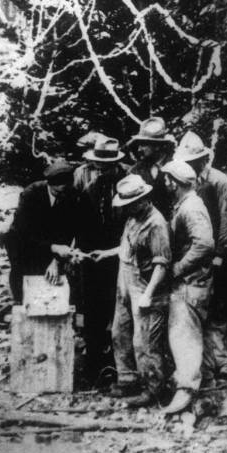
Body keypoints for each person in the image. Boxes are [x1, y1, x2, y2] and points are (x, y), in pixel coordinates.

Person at [172, 132, 227, 383]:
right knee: (197, 310)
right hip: (195, 256)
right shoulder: (187, 183)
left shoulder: (218, 181)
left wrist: (219, 255)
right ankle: (205, 364)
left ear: (202, 160)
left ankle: (225, 361)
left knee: (218, 309)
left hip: (214, 254)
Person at [110, 173, 171, 408]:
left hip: (145, 285)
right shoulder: (133, 218)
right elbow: (127, 247)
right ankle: (128, 379)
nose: (129, 208)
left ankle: (153, 388)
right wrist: (105, 254)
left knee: (144, 341)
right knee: (120, 330)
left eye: (132, 204)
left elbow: (161, 263)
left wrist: (148, 295)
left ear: (143, 200)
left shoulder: (156, 223)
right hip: (124, 279)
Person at [160, 160, 215, 415]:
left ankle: (186, 390)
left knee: (184, 336)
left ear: (177, 182)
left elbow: (204, 244)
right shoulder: (185, 205)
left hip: (190, 283)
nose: (166, 184)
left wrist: (178, 269)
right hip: (190, 281)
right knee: (187, 334)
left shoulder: (191, 207)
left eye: (169, 180)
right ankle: (198, 381)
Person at [73, 136, 128, 387]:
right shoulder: (91, 188)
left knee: (121, 311)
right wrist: (83, 255)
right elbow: (82, 225)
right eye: (99, 164)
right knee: (94, 311)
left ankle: (121, 367)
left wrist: (116, 251)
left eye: (108, 164)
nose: (102, 168)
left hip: (123, 257)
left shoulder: (130, 183)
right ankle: (94, 366)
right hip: (94, 258)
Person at [1, 161, 80, 304]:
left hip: (51, 240)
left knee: (52, 277)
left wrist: (56, 260)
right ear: (49, 184)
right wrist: (53, 248)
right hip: (22, 241)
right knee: (23, 273)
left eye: (65, 189)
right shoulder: (30, 194)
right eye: (57, 191)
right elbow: (25, 232)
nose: (62, 193)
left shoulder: (71, 195)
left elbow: (68, 232)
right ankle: (20, 301)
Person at [127, 117, 177, 219]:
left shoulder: (176, 168)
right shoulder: (135, 171)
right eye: (139, 145)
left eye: (144, 145)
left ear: (157, 146)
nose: (140, 149)